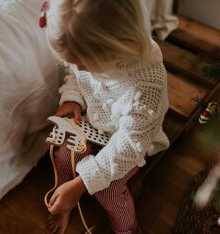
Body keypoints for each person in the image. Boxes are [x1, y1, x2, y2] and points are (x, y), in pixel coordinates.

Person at [45, 0, 170, 233]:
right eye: (74, 62)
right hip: (94, 126)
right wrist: (72, 98)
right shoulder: (89, 54)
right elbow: (76, 76)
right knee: (64, 157)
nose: (78, 69)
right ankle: (65, 202)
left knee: (108, 190)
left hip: (131, 142)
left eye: (83, 63)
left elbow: (129, 145)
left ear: (114, 50)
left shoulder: (148, 83)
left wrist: (82, 183)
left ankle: (127, 228)